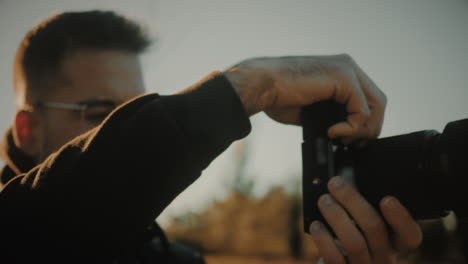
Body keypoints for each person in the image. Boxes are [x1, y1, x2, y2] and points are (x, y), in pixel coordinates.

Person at [0, 10, 421, 263]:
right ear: (28, 129)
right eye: (103, 113)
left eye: (137, 111)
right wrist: (252, 85)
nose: (123, 130)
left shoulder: (176, 260)